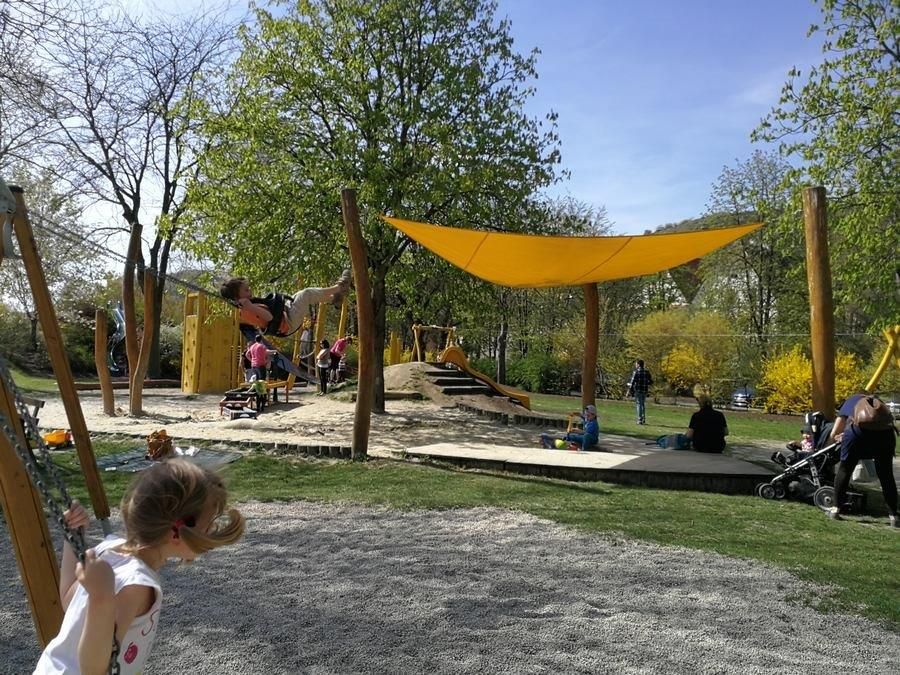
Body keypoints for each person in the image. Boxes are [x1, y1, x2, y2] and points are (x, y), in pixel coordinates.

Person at [34, 460, 245, 674]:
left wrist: (73, 538)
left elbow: (68, 602)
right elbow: (94, 669)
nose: (212, 532)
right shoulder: (136, 586)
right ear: (176, 533)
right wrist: (101, 598)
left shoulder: (109, 549)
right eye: (208, 526)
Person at [827, 392, 897, 527]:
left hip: (857, 436)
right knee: (886, 475)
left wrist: (836, 437)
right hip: (885, 437)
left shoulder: (851, 401)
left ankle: (836, 509)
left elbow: (836, 429)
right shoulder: (878, 402)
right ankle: (894, 515)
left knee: (845, 470)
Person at [220, 270, 351, 337]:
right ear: (238, 297)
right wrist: (251, 306)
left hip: (286, 313)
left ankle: (334, 299)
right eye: (246, 290)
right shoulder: (248, 310)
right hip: (288, 323)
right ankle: (339, 287)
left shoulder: (249, 305)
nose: (250, 291)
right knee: (306, 294)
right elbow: (269, 318)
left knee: (302, 294)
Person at [686, 387, 728, 453]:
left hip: (700, 446)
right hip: (718, 447)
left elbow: (689, 435)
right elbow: (726, 432)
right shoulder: (720, 415)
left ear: (700, 403)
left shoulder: (696, 416)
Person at [626, 359, 653, 425]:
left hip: (638, 390)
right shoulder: (647, 372)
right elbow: (651, 381)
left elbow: (632, 382)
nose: (635, 365)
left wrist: (628, 391)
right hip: (644, 390)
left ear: (638, 364)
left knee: (639, 404)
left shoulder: (636, 372)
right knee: (642, 404)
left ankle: (639, 419)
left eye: (636, 364)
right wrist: (646, 383)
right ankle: (643, 419)